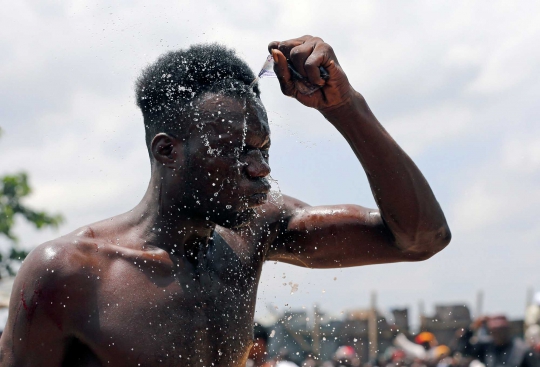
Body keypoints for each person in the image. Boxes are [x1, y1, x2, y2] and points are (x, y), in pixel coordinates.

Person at [0, 35, 451, 366]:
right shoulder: (71, 273)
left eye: (262, 149)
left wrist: (344, 106)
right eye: (236, 150)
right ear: (167, 151)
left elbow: (419, 238)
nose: (260, 168)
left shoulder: (254, 229)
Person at [458, 315, 539, 367]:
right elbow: (465, 350)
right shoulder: (486, 347)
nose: (498, 334)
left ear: (508, 330)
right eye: (494, 331)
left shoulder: (522, 350)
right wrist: (472, 327)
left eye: (501, 330)